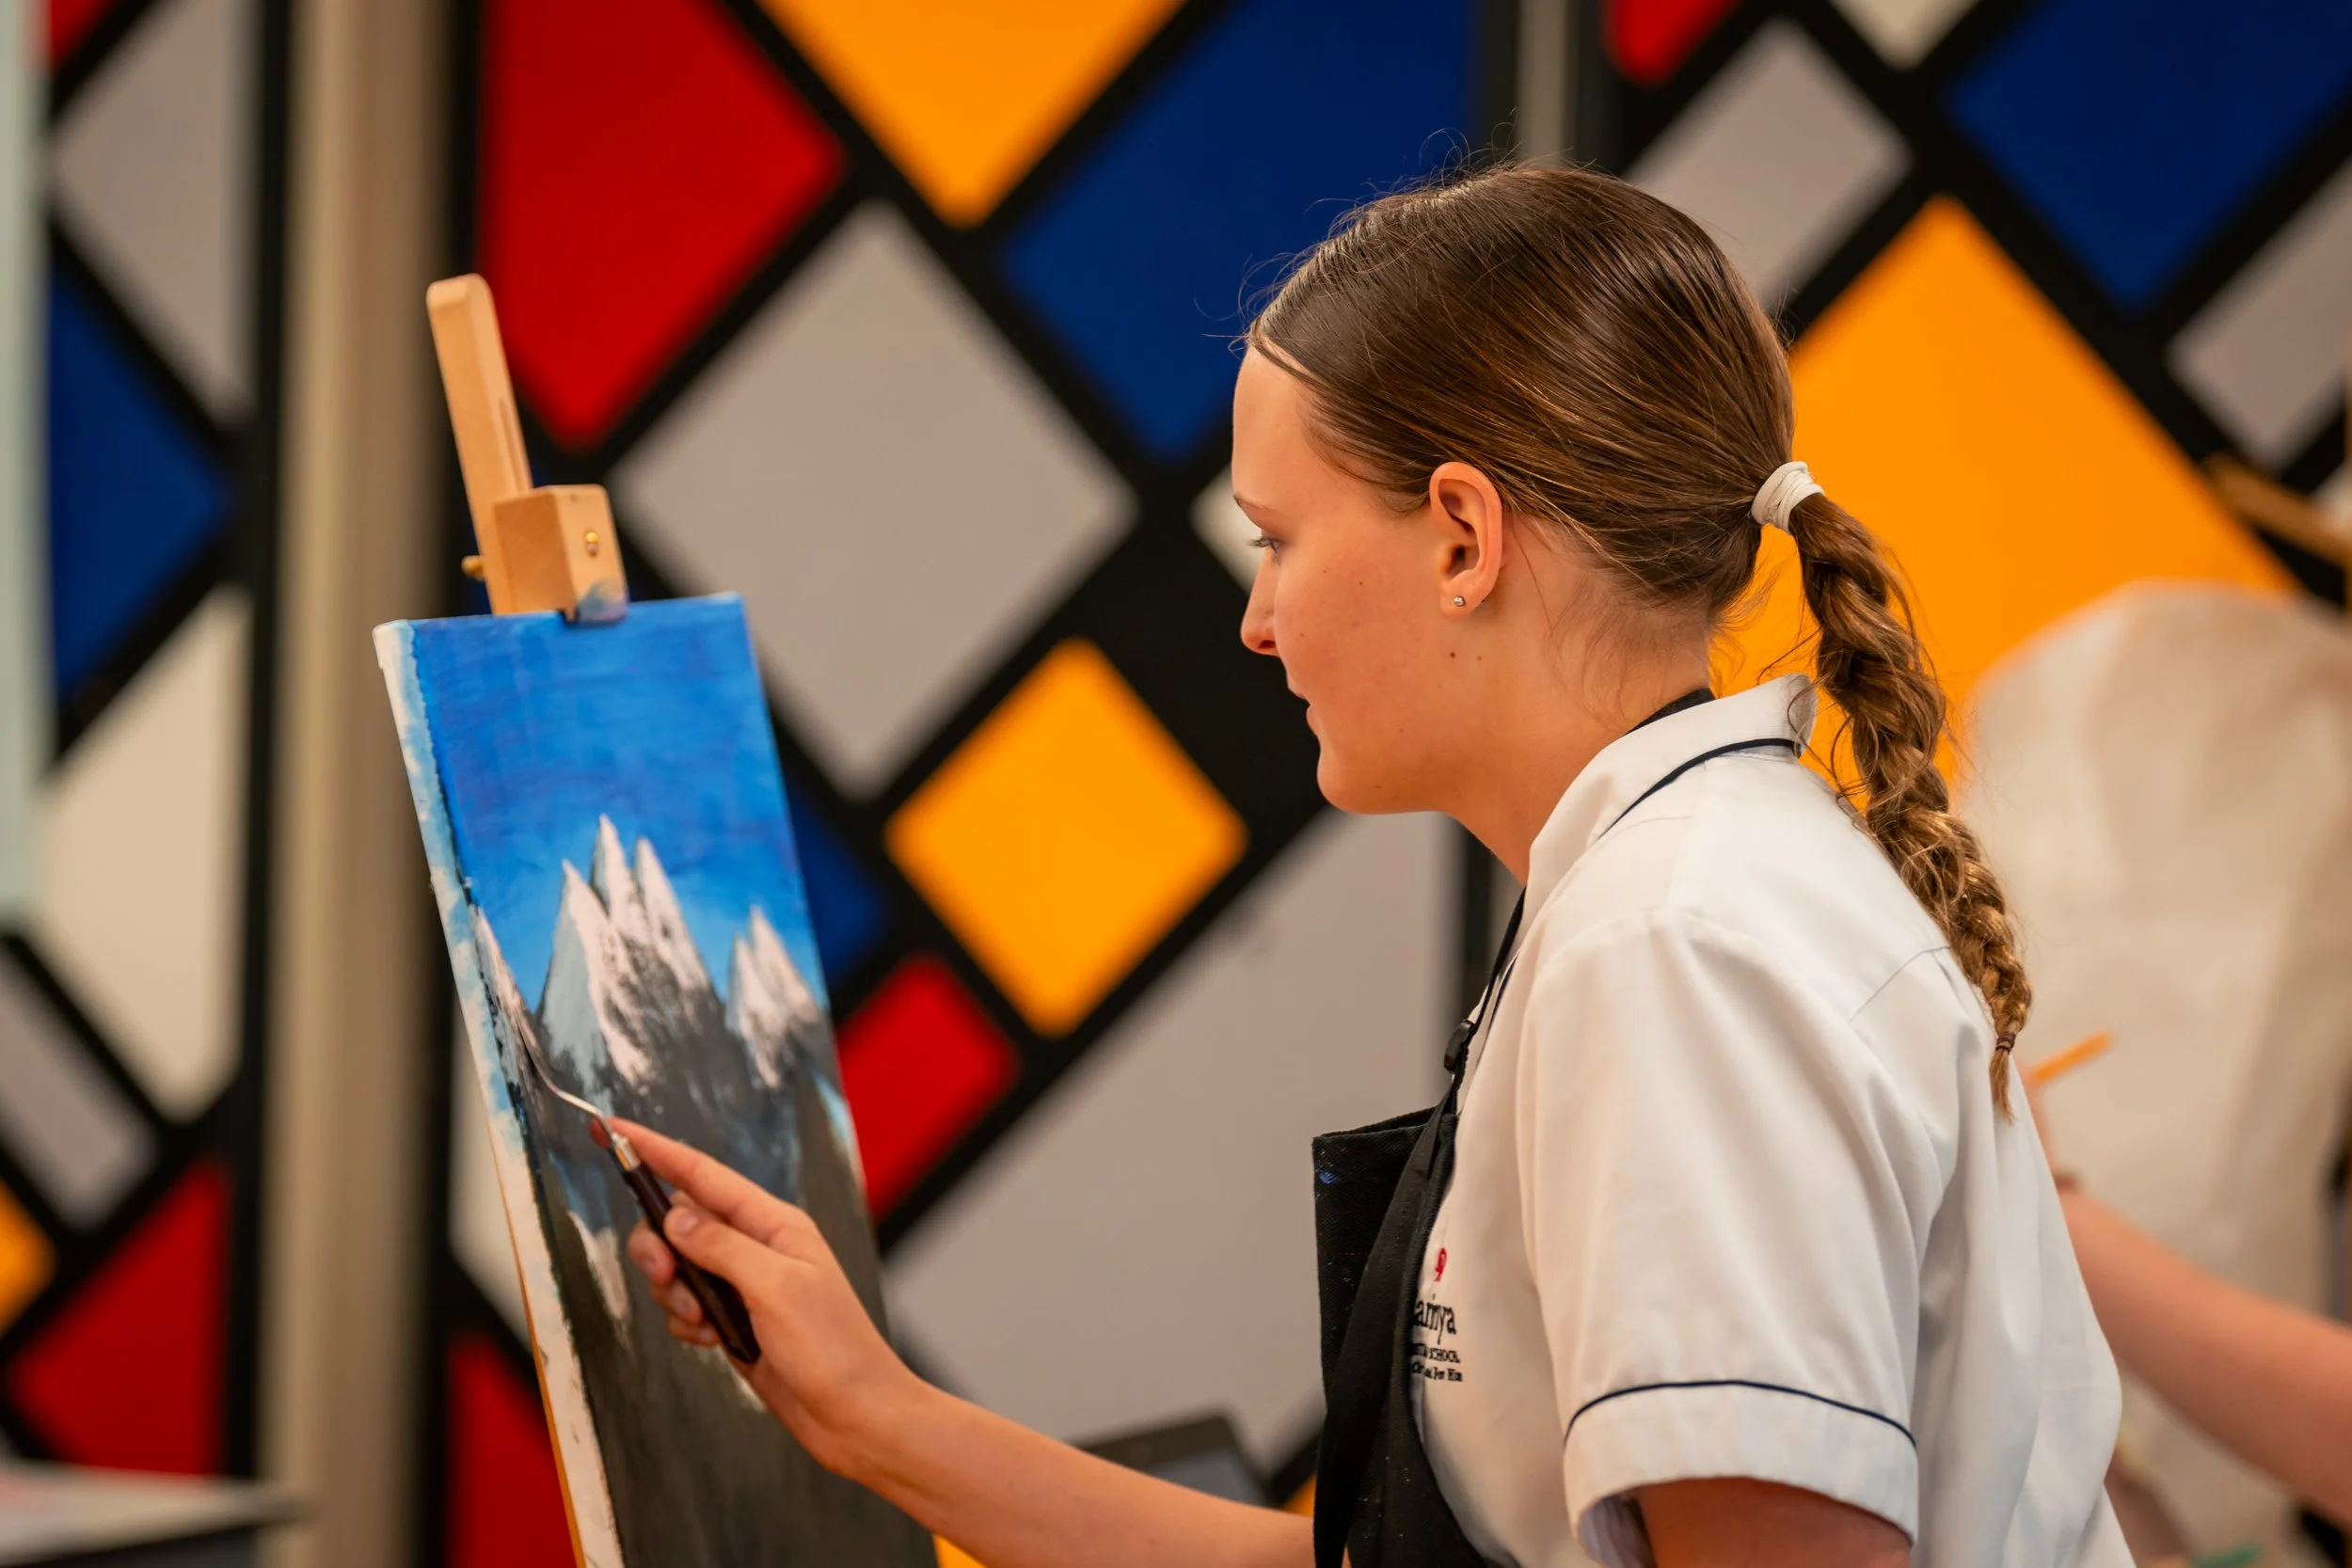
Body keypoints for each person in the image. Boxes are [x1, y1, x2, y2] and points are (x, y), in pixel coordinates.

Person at [618, 164, 2130, 1567]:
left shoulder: (1679, 944)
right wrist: (873, 1414)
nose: (1255, 620)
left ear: (1463, 535)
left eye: (1275, 538)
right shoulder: (1649, 897)